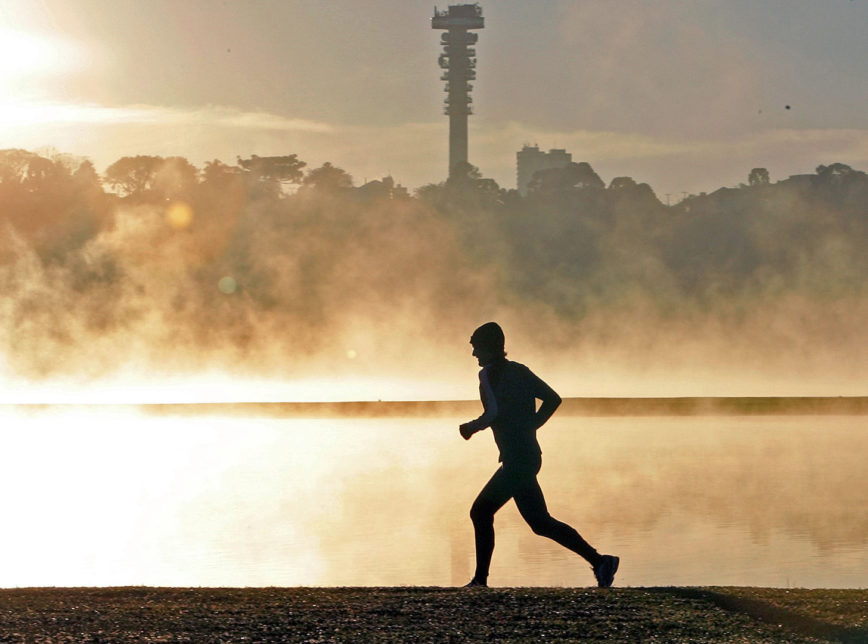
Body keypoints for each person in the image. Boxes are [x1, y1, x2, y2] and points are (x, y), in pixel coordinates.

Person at [459, 322, 619, 588]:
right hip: (528, 456)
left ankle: (480, 581)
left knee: (481, 511)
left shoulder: (488, 375)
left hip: (517, 461)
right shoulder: (520, 371)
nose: (474, 354)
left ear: (489, 348)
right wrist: (532, 425)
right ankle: (601, 561)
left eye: (476, 347)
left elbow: (493, 413)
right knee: (540, 522)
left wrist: (471, 428)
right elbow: (553, 399)